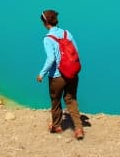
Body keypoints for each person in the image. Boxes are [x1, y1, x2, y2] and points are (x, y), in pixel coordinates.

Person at [36, 8, 84, 140]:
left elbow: (51, 59)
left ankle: (56, 126)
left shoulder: (48, 39)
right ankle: (79, 129)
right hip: (72, 74)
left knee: (55, 100)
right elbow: (76, 52)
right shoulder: (67, 33)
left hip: (57, 76)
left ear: (45, 23)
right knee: (71, 99)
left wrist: (42, 74)